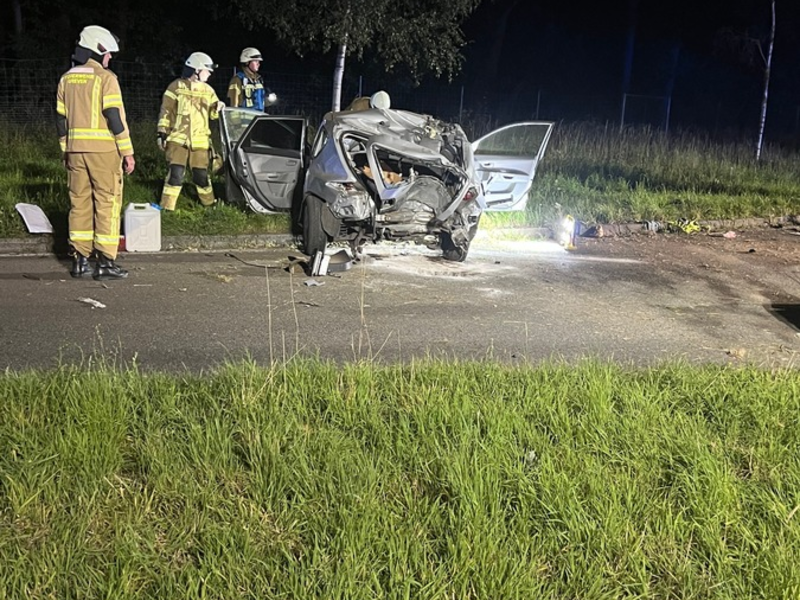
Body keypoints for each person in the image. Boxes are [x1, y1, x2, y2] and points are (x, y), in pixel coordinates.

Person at [56, 25, 135, 280]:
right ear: (99, 49)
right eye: (109, 53)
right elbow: (114, 117)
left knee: (78, 203)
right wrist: (127, 152)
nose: (110, 58)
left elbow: (60, 120)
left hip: (75, 151)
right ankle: (105, 262)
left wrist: (65, 150)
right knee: (107, 204)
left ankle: (79, 261)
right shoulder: (106, 78)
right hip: (103, 152)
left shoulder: (66, 78)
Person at [156, 52, 225, 211]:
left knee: (201, 176)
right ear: (197, 70)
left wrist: (217, 107)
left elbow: (213, 116)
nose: (210, 74)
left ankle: (209, 205)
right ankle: (167, 208)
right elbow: (165, 111)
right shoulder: (175, 86)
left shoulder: (208, 90)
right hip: (177, 140)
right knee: (176, 174)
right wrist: (162, 133)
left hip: (200, 141)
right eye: (207, 70)